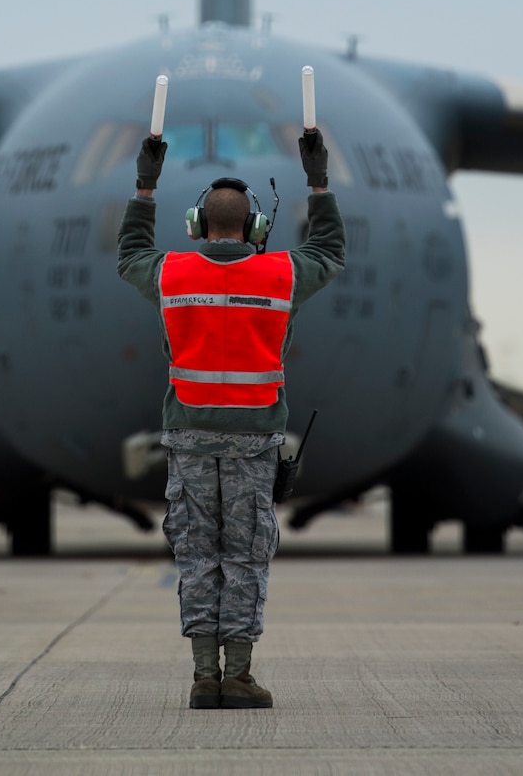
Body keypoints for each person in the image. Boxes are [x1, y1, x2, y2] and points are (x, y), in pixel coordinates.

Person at [118, 122, 345, 710]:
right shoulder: (280, 275)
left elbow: (129, 254)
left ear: (197, 226)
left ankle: (202, 677)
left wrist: (145, 186)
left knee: (197, 556)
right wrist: (318, 181)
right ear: (255, 226)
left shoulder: (171, 275)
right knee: (245, 556)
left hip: (189, 437)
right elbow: (330, 251)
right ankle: (239, 677)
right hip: (254, 440)